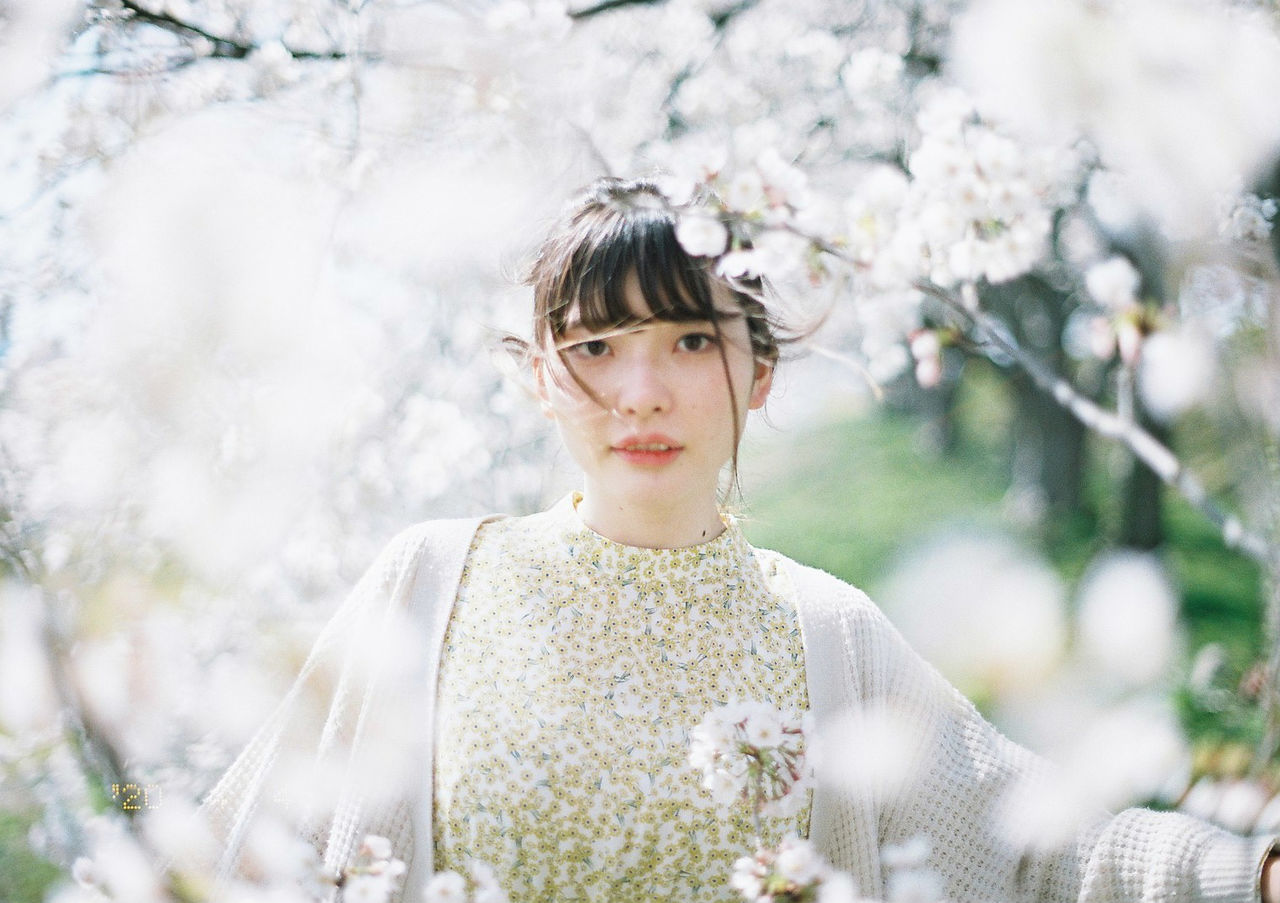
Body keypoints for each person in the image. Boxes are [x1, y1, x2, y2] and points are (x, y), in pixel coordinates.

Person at [203, 177, 1280, 903]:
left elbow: (1042, 845)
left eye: (685, 339)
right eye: (594, 346)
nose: (640, 392)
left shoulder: (826, 631)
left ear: (756, 372)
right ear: (536, 374)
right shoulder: (432, 583)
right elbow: (236, 851)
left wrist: (1250, 874)